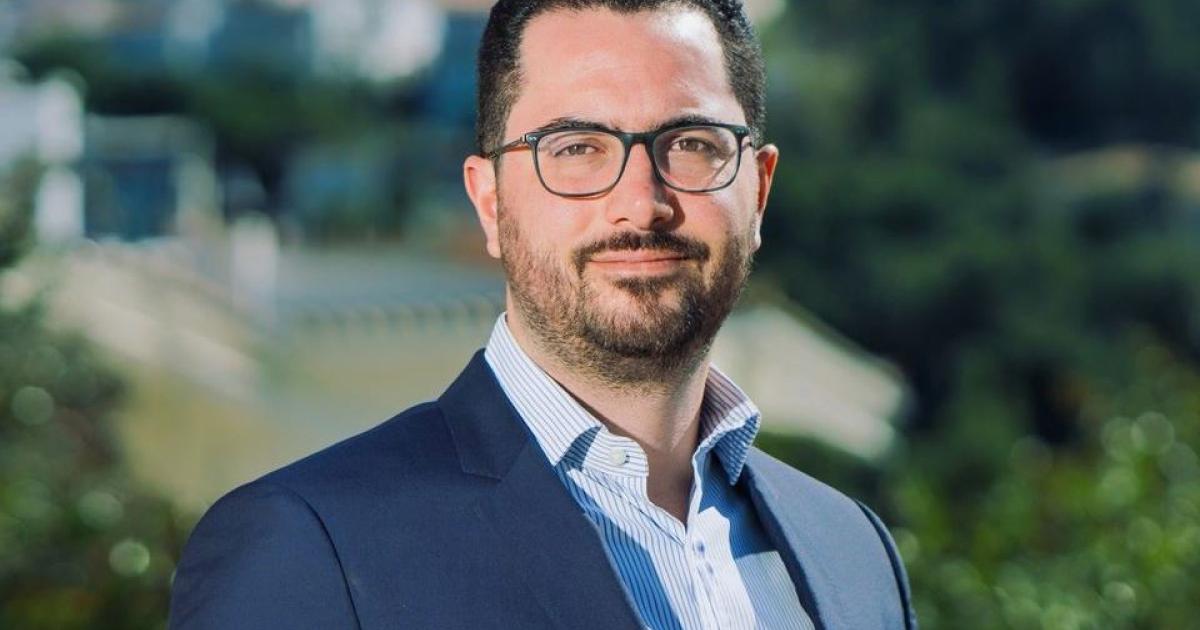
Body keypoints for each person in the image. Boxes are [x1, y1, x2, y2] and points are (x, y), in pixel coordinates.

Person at [168, 0, 917, 628]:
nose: (641, 203)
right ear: (490, 201)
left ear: (758, 189)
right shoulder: (309, 545)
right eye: (576, 147)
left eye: (691, 144)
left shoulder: (852, 552)